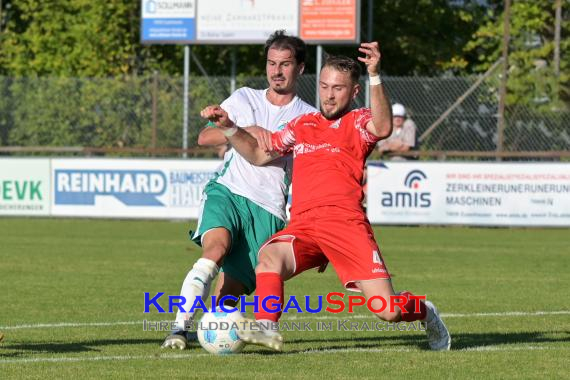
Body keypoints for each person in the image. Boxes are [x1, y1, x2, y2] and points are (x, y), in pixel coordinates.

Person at [201, 41, 451, 352]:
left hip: (346, 226)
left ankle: (426, 311)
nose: (329, 94)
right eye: (324, 86)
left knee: (388, 310)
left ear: (354, 92)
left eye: (338, 88)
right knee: (268, 258)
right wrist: (229, 128)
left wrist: (375, 74)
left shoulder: (358, 123)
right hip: (304, 226)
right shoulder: (302, 125)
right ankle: (266, 327)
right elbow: (258, 153)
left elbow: (384, 126)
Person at [161, 30, 317, 350]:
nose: (276, 71)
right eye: (271, 63)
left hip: (268, 208)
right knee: (214, 251)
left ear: (300, 68)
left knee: (230, 292)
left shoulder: (309, 117)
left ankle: (215, 332)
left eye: (285, 64)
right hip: (229, 191)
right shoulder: (244, 97)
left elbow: (304, 172)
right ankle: (178, 329)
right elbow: (206, 137)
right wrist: (244, 130)